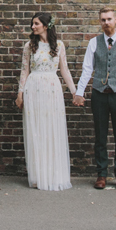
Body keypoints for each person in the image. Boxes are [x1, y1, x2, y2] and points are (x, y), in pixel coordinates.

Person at [73, 8, 116, 191]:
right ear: (99, 22)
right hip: (99, 94)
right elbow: (87, 69)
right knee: (100, 137)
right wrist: (80, 92)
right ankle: (101, 174)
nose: (106, 22)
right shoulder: (94, 43)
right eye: (103, 20)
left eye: (109, 19)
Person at [14, 12, 77, 191]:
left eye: (36, 24)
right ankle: (37, 175)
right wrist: (20, 94)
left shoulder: (59, 45)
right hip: (33, 89)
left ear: (46, 25)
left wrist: (74, 92)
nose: (33, 27)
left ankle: (53, 175)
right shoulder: (29, 46)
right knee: (37, 131)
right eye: (32, 24)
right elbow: (24, 71)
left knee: (52, 130)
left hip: (52, 89)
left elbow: (64, 70)